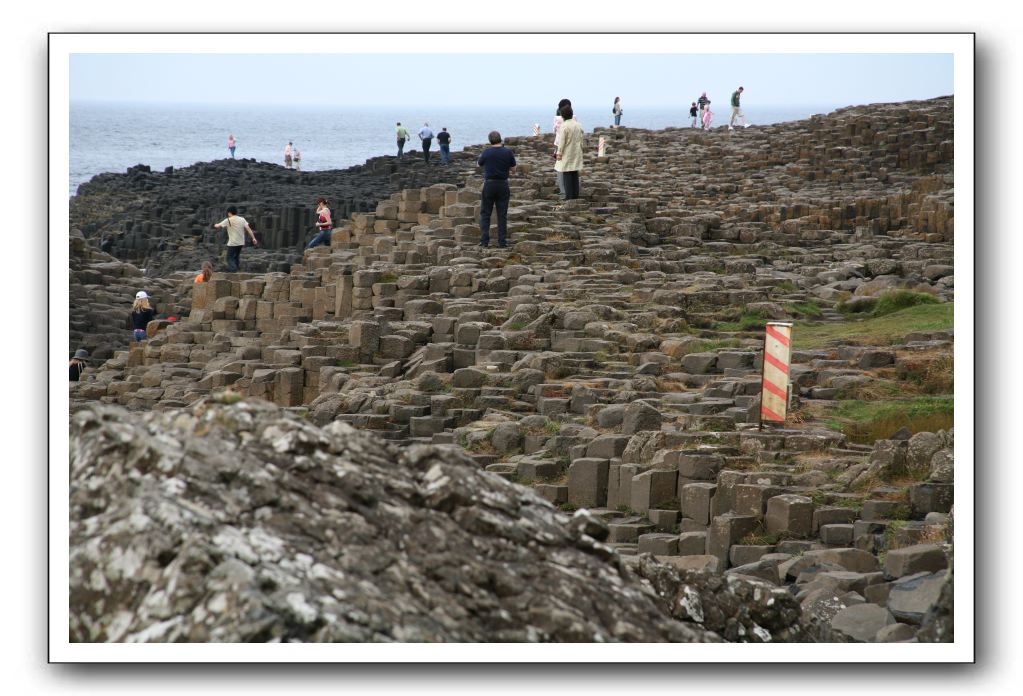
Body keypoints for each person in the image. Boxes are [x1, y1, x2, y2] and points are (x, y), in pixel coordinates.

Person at [477, 130, 516, 249]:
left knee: (485, 213)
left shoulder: (486, 152)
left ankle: (484, 241)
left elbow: (479, 164)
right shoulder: (507, 152)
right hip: (503, 184)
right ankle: (502, 241)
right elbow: (514, 168)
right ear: (500, 139)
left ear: (490, 141)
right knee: (502, 214)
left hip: (489, 184)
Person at [213, 206, 259, 272]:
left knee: (229, 258)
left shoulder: (228, 220)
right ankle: (236, 270)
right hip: (241, 242)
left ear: (229, 213)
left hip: (233, 243)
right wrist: (253, 238)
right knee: (236, 257)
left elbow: (218, 226)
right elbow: (248, 229)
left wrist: (215, 224)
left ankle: (234, 270)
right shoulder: (242, 219)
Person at [555, 105, 584, 201]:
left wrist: (559, 153)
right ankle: (575, 194)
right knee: (574, 172)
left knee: (567, 173)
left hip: (567, 152)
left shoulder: (564, 126)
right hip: (576, 151)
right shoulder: (578, 124)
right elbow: (581, 139)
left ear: (562, 116)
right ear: (571, 114)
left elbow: (561, 141)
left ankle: (569, 196)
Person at [552, 98, 573, 196]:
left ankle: (563, 190)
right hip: (570, 146)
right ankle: (569, 189)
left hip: (560, 145)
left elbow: (556, 131)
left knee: (560, 168)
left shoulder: (557, 119)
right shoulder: (574, 119)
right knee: (570, 168)